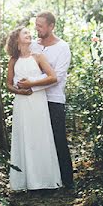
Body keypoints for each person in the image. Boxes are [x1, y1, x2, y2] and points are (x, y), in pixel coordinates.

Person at [19, 11, 74, 189]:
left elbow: (56, 77)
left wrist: (31, 85)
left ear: (51, 26)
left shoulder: (62, 47)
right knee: (39, 140)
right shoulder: (33, 45)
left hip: (53, 99)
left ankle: (67, 181)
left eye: (41, 26)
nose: (37, 29)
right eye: (36, 25)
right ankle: (43, 180)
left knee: (58, 139)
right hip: (33, 100)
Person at [6, 27, 62, 191]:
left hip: (37, 101)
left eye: (29, 33)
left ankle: (44, 181)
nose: (29, 34)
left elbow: (53, 77)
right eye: (25, 33)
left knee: (40, 136)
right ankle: (25, 181)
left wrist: (31, 83)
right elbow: (8, 84)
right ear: (17, 39)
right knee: (24, 137)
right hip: (22, 103)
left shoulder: (38, 57)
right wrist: (20, 90)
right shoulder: (13, 60)